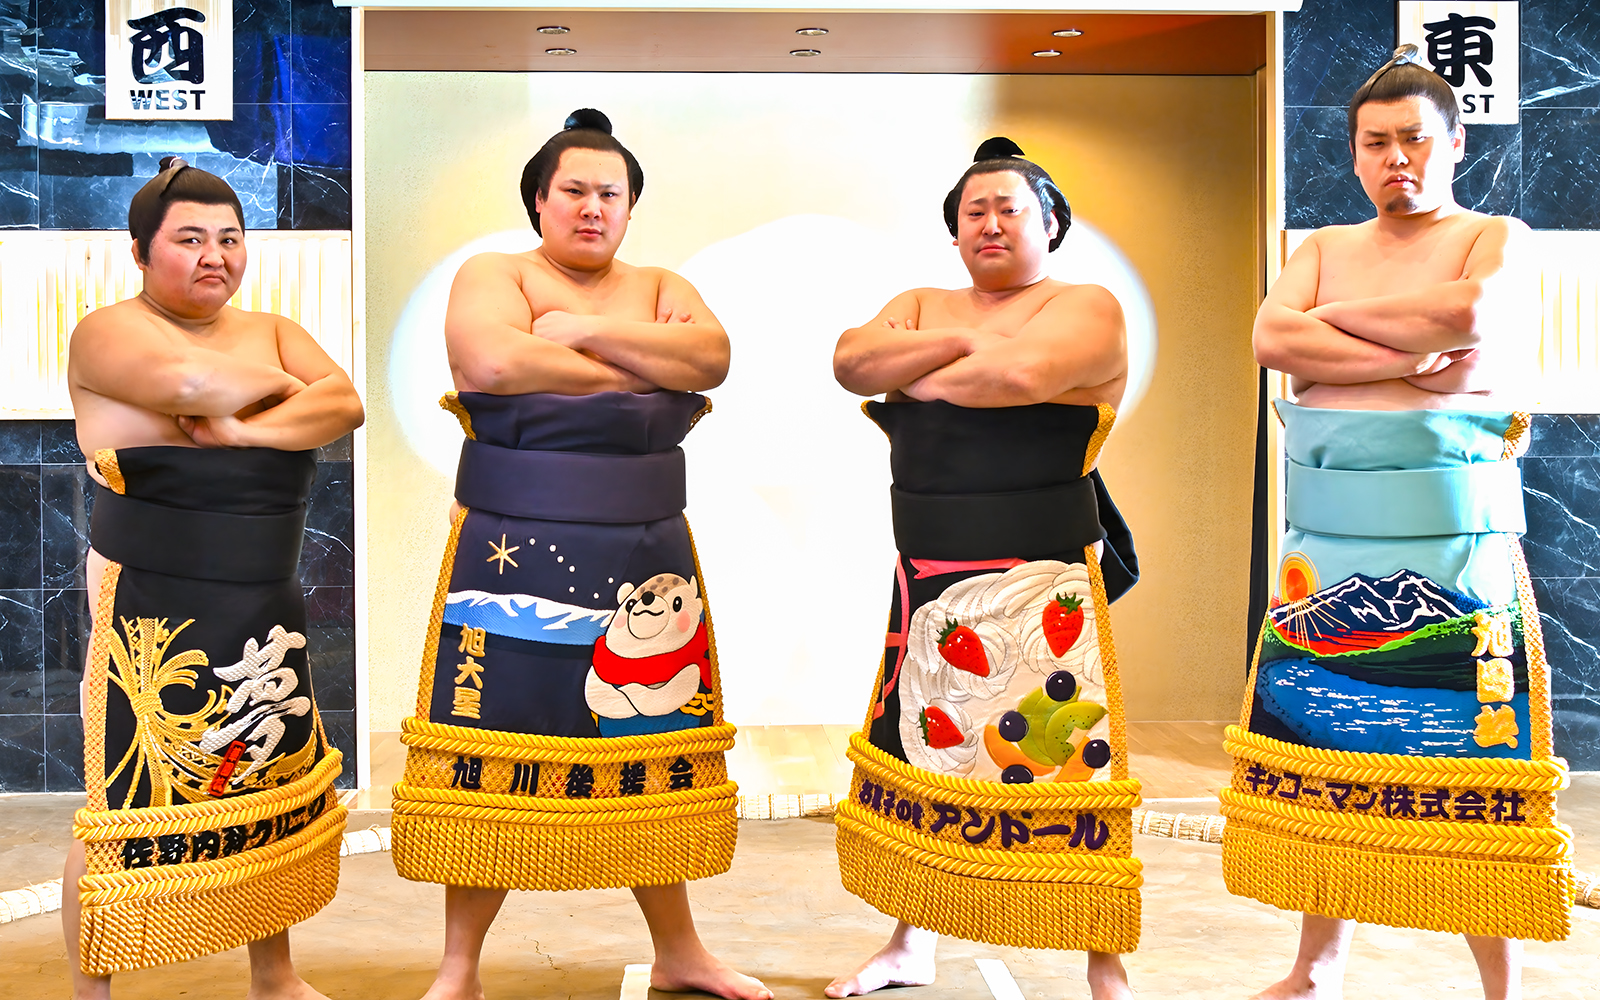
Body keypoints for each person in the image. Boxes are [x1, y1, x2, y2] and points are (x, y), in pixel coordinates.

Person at [390, 109, 768, 1000]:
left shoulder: (661, 281)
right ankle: (459, 965)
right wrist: (642, 372)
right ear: (538, 200)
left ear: (632, 208)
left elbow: (709, 359)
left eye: (612, 193)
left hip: (647, 546)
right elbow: (488, 360)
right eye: (575, 191)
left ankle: (681, 950)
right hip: (510, 547)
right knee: (492, 740)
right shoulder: (496, 273)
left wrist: (576, 334)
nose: (592, 207)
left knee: (650, 733)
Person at [1225, 45, 1568, 1000]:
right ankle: (1315, 965)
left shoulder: (1496, 234)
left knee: (1473, 754)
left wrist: (1338, 341)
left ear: (1455, 143)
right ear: (1353, 152)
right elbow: (1270, 337)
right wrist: (1403, 350)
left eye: (1414, 138)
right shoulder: (1320, 246)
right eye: (1374, 143)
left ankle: (1504, 985)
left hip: (1455, 542)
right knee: (1327, 744)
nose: (1394, 159)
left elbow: (1471, 317)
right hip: (1326, 542)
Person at [827, 138, 1142, 1000]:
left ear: (1051, 223)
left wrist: (928, 356)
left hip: (1043, 577)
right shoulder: (922, 299)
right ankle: (909, 942)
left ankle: (1103, 963)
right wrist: (966, 346)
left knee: (1069, 753)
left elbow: (1023, 373)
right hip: (928, 569)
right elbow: (853, 362)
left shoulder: (1088, 304)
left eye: (1011, 208)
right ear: (954, 231)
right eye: (975, 211)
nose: (991, 223)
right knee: (931, 749)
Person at [63, 157, 365, 999]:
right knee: (123, 783)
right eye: (189, 239)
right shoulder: (108, 329)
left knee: (263, 775)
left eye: (230, 239)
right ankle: (96, 989)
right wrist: (278, 395)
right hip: (151, 584)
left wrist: (232, 432)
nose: (215, 257)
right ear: (139, 250)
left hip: (262, 580)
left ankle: (277, 975)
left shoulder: (268, 325)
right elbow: (191, 383)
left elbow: (344, 402)